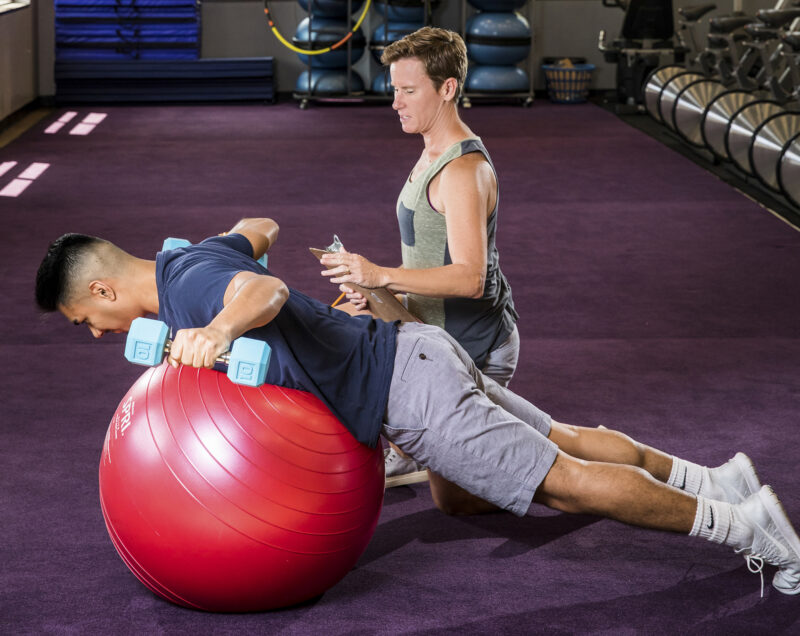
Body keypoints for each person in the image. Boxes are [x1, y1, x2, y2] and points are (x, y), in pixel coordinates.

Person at [36, 219, 800, 597]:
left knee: (561, 479)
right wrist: (248, 259)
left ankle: (745, 528)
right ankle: (717, 479)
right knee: (487, 484)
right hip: (415, 352)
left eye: (87, 321)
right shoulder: (193, 253)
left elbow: (260, 293)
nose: (100, 334)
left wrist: (218, 329)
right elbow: (258, 227)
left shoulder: (191, 293)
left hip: (405, 389)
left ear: (103, 291)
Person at [320, 27, 518, 483]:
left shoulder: (462, 171)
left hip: (474, 348)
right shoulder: (430, 149)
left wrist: (380, 275)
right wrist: (372, 290)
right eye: (395, 90)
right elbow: (426, 257)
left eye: (409, 91)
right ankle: (415, 448)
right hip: (432, 331)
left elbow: (471, 278)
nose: (396, 103)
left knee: (458, 496)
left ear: (447, 89)